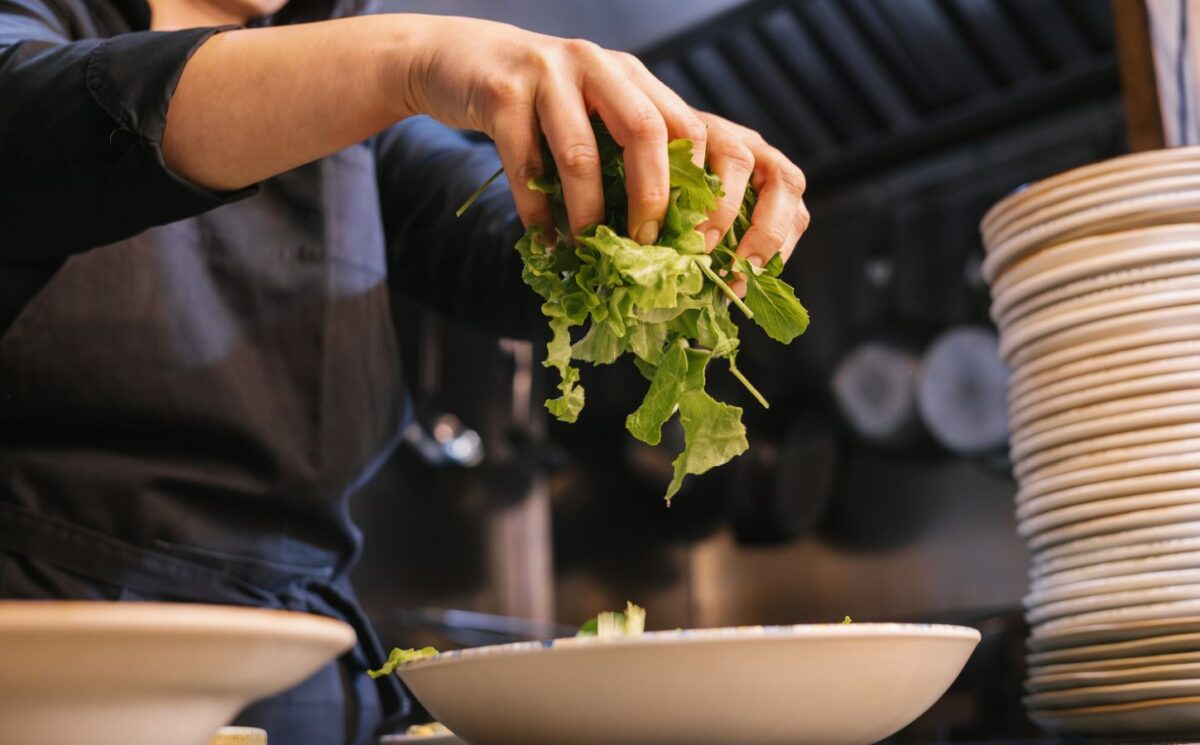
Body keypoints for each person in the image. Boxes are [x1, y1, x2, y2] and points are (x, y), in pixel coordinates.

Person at [0, 0, 810, 743]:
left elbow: (494, 229)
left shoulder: (354, 112)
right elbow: (28, 116)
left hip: (303, 662)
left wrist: (656, 197)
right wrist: (411, 57)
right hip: (53, 654)